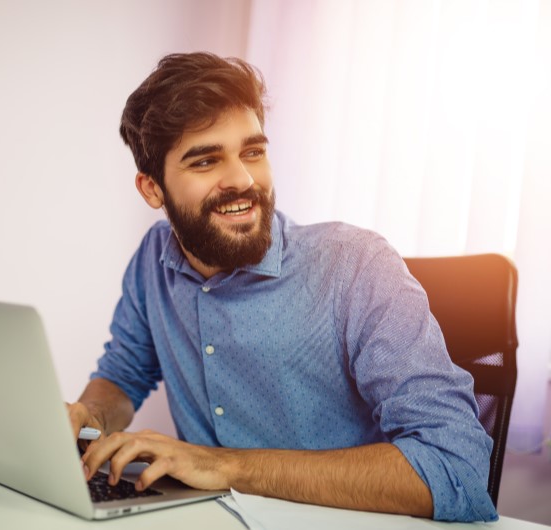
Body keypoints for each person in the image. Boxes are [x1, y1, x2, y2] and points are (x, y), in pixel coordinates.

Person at [67, 52, 497, 522]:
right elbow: (123, 374)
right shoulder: (154, 257)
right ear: (152, 190)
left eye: (252, 152)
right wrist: (90, 417)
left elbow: (458, 467)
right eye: (207, 160)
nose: (243, 179)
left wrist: (225, 467)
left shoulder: (356, 267)